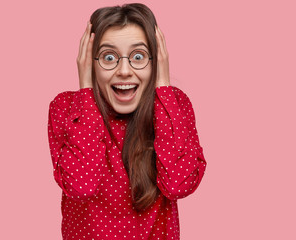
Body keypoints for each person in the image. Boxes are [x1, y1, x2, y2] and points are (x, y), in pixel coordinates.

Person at [47, 3, 207, 239]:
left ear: (156, 60)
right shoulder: (66, 107)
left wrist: (162, 84)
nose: (124, 70)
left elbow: (178, 183)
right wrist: (86, 91)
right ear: (89, 62)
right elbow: (82, 185)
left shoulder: (174, 105)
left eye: (139, 56)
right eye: (108, 57)